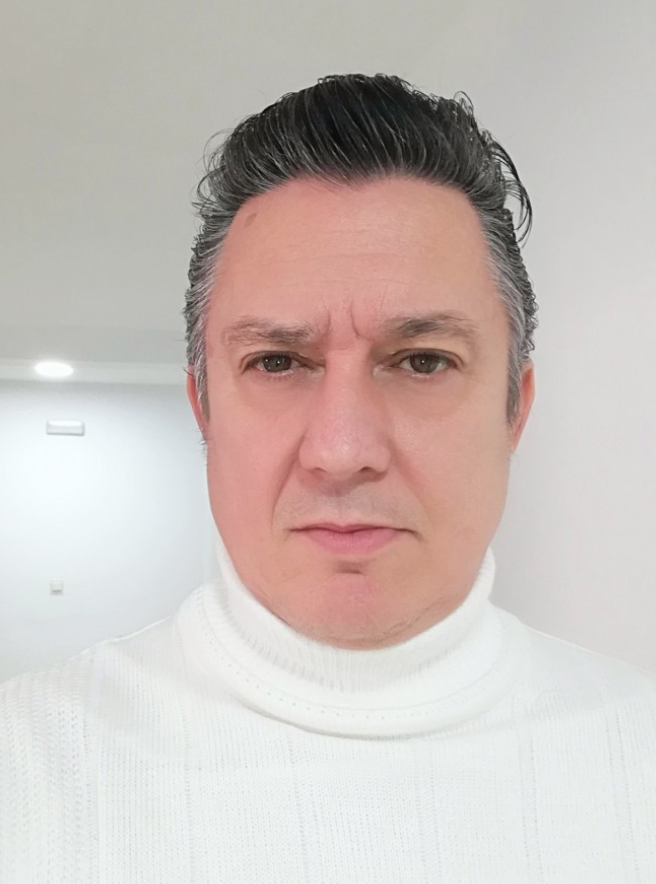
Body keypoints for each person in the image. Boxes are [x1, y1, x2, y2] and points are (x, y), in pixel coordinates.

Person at [1, 73, 655, 882]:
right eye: (277, 362)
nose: (342, 450)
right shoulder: (26, 772)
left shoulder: (638, 752)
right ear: (204, 409)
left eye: (423, 361)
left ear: (514, 410)